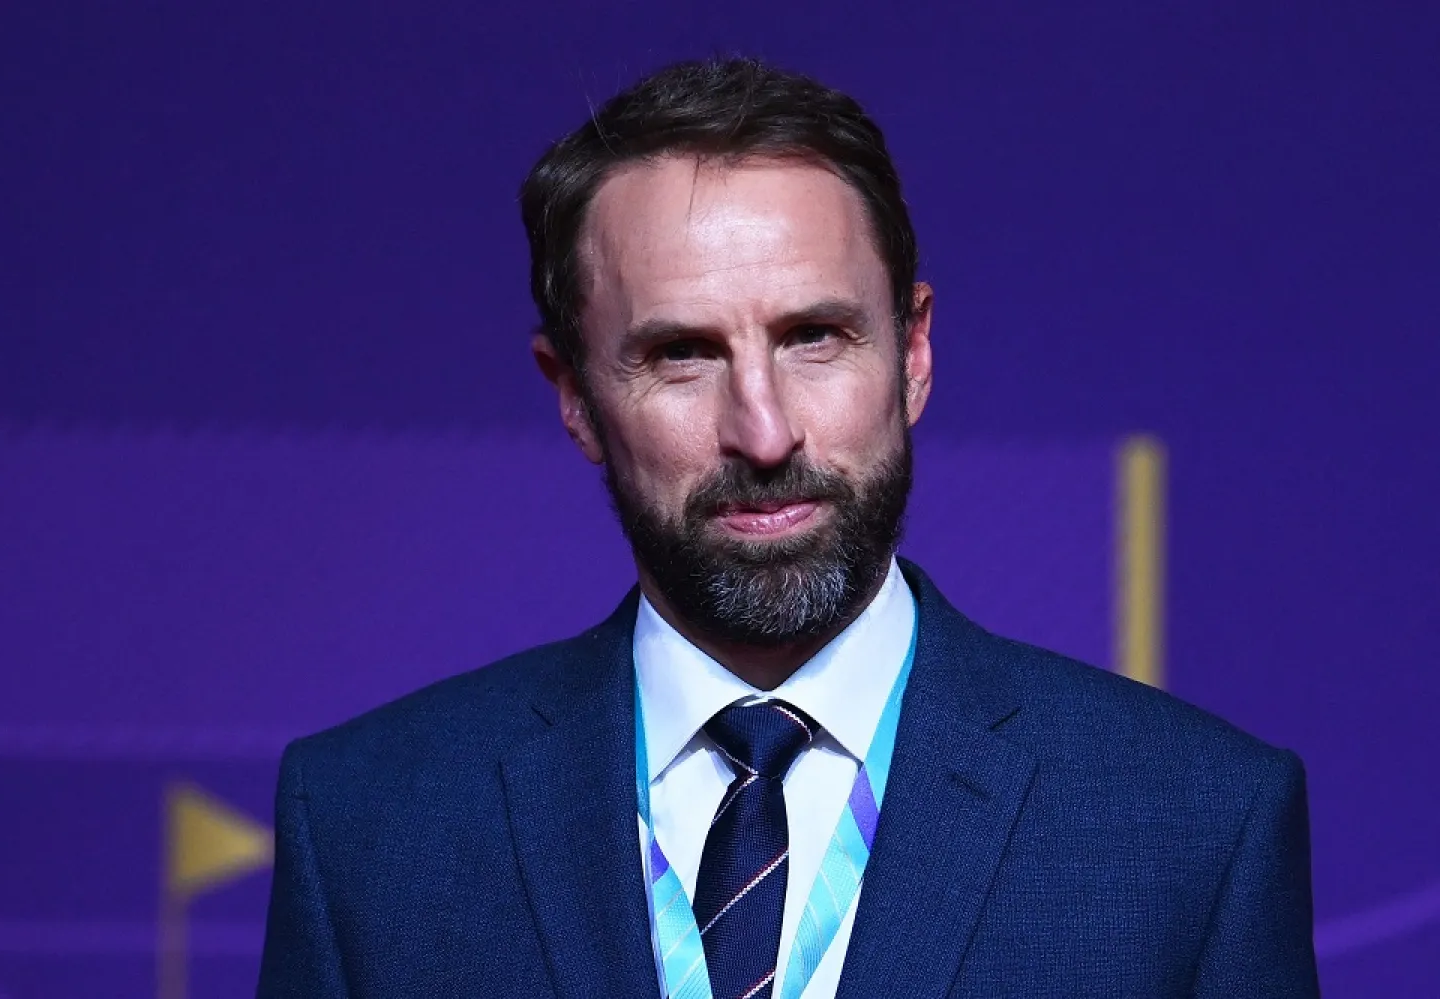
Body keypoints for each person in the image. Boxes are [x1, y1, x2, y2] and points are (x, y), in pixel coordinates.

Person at [256, 57, 1318, 998]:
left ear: (912, 355)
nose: (762, 432)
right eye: (681, 353)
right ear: (573, 392)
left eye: (816, 337)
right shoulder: (371, 827)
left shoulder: (1191, 828)